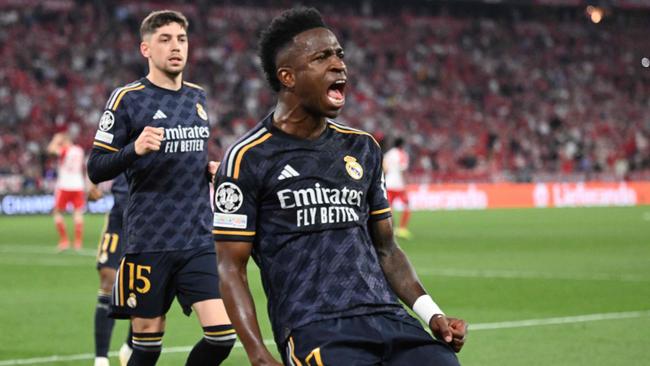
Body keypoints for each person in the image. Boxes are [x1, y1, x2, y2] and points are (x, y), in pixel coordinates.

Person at [214, 7, 467, 366]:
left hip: (390, 320)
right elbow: (230, 267)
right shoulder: (247, 157)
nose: (339, 65)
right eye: (322, 57)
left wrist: (432, 315)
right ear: (287, 76)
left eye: (339, 54)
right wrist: (258, 354)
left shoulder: (363, 147)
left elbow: (387, 249)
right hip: (316, 328)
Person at [87, 10, 234, 366]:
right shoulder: (127, 99)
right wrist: (133, 149)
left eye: (181, 39)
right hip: (149, 241)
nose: (176, 47)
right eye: (165, 40)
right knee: (147, 347)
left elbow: (190, 154)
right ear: (146, 49)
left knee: (222, 337)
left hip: (197, 238)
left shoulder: (198, 98)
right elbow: (95, 168)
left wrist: (209, 170)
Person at [91, 174, 133, 366]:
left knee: (145, 285)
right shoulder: (123, 143)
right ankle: (101, 358)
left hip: (148, 219)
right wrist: (93, 182)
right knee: (108, 279)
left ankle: (131, 345)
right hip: (118, 221)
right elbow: (101, 154)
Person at [47, 132, 86, 251]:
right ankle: (78, 242)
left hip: (64, 185)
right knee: (78, 213)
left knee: (57, 212)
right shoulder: (79, 150)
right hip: (78, 184)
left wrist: (55, 139)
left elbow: (50, 150)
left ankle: (64, 241)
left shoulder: (64, 150)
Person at [383, 137, 412, 239]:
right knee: (407, 205)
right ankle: (402, 229)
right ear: (402, 145)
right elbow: (403, 169)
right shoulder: (402, 154)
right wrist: (406, 182)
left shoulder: (388, 154)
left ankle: (390, 229)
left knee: (388, 208)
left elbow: (384, 168)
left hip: (388, 184)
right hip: (399, 185)